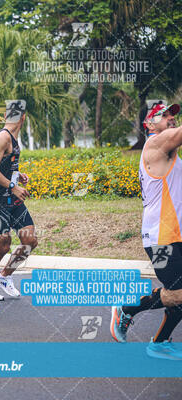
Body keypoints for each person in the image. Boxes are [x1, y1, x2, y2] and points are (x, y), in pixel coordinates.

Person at [110, 103, 182, 360]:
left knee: (178, 294)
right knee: (177, 293)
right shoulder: (155, 145)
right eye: (164, 115)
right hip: (160, 239)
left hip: (176, 236)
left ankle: (160, 343)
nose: (172, 118)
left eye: (174, 114)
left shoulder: (169, 151)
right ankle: (127, 309)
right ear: (149, 125)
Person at [0, 101, 37, 301]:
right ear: (23, 118)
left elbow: (4, 164)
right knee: (3, 243)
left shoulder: (13, 138)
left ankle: (3, 277)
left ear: (6, 116)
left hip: (12, 197)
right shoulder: (3, 137)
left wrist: (17, 175)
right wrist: (12, 186)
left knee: (29, 241)